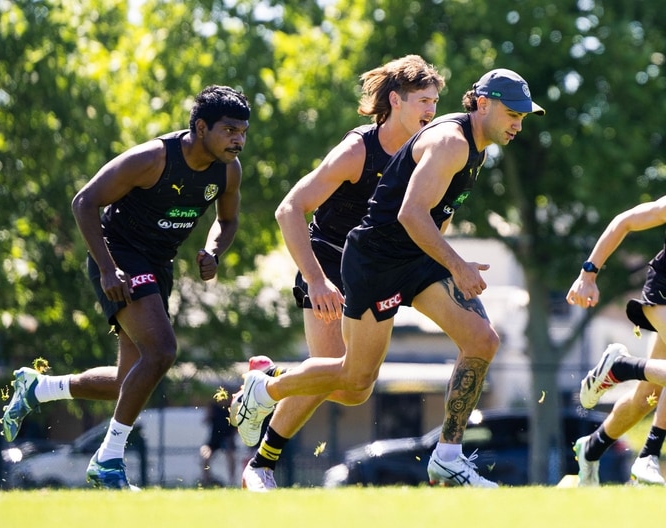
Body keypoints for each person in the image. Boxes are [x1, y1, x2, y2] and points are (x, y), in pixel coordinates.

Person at [234, 68, 545, 488]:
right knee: (353, 382)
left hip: (412, 257)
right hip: (370, 261)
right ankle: (265, 395)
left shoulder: (476, 150)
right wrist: (455, 265)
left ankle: (448, 458)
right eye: (513, 114)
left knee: (482, 339)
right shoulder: (445, 142)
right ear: (483, 105)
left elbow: (436, 215)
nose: (518, 125)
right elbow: (409, 213)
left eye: (522, 117)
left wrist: (448, 263)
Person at [1, 85, 251, 489]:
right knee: (162, 351)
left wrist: (213, 250)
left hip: (158, 265)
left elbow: (228, 220)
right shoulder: (153, 158)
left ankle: (40, 388)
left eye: (242, 132)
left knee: (127, 381)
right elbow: (84, 202)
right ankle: (108, 460)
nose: (238, 140)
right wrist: (106, 269)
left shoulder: (228, 171)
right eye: (229, 131)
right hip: (119, 256)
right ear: (201, 128)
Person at [239, 55, 445, 492]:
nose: (432, 111)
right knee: (332, 371)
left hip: (375, 271)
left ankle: (271, 379)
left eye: (435, 102)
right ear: (395, 100)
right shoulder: (358, 151)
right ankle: (261, 465)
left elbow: (430, 220)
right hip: (328, 265)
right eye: (423, 101)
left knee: (355, 388)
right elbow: (290, 209)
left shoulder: (430, 153)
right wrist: (316, 280)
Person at [567, 197, 666, 485]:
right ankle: (621, 367)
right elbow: (625, 221)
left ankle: (591, 447)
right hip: (662, 296)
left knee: (645, 398)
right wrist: (588, 274)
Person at [200, 398, 238, 487]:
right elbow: (205, 421)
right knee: (205, 456)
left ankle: (232, 481)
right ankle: (206, 480)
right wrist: (209, 414)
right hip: (215, 438)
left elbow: (236, 426)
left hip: (227, 438)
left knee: (231, 457)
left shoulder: (231, 408)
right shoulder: (213, 407)